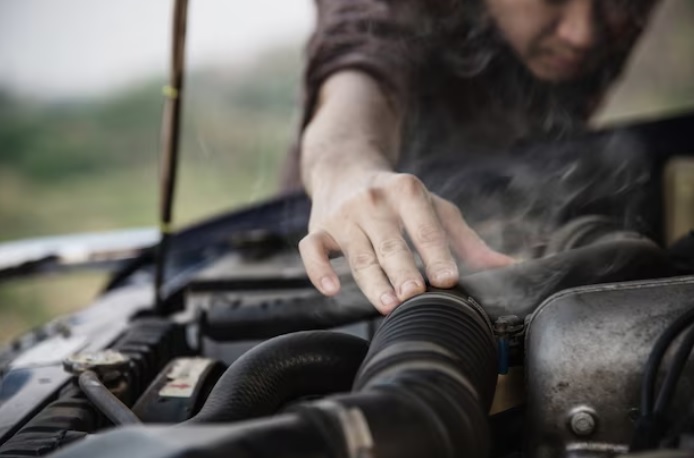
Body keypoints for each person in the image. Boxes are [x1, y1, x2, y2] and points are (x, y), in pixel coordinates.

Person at [283, 0, 660, 314]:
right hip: (350, 240)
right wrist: (349, 172)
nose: (582, 34)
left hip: (522, 213)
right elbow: (356, 68)